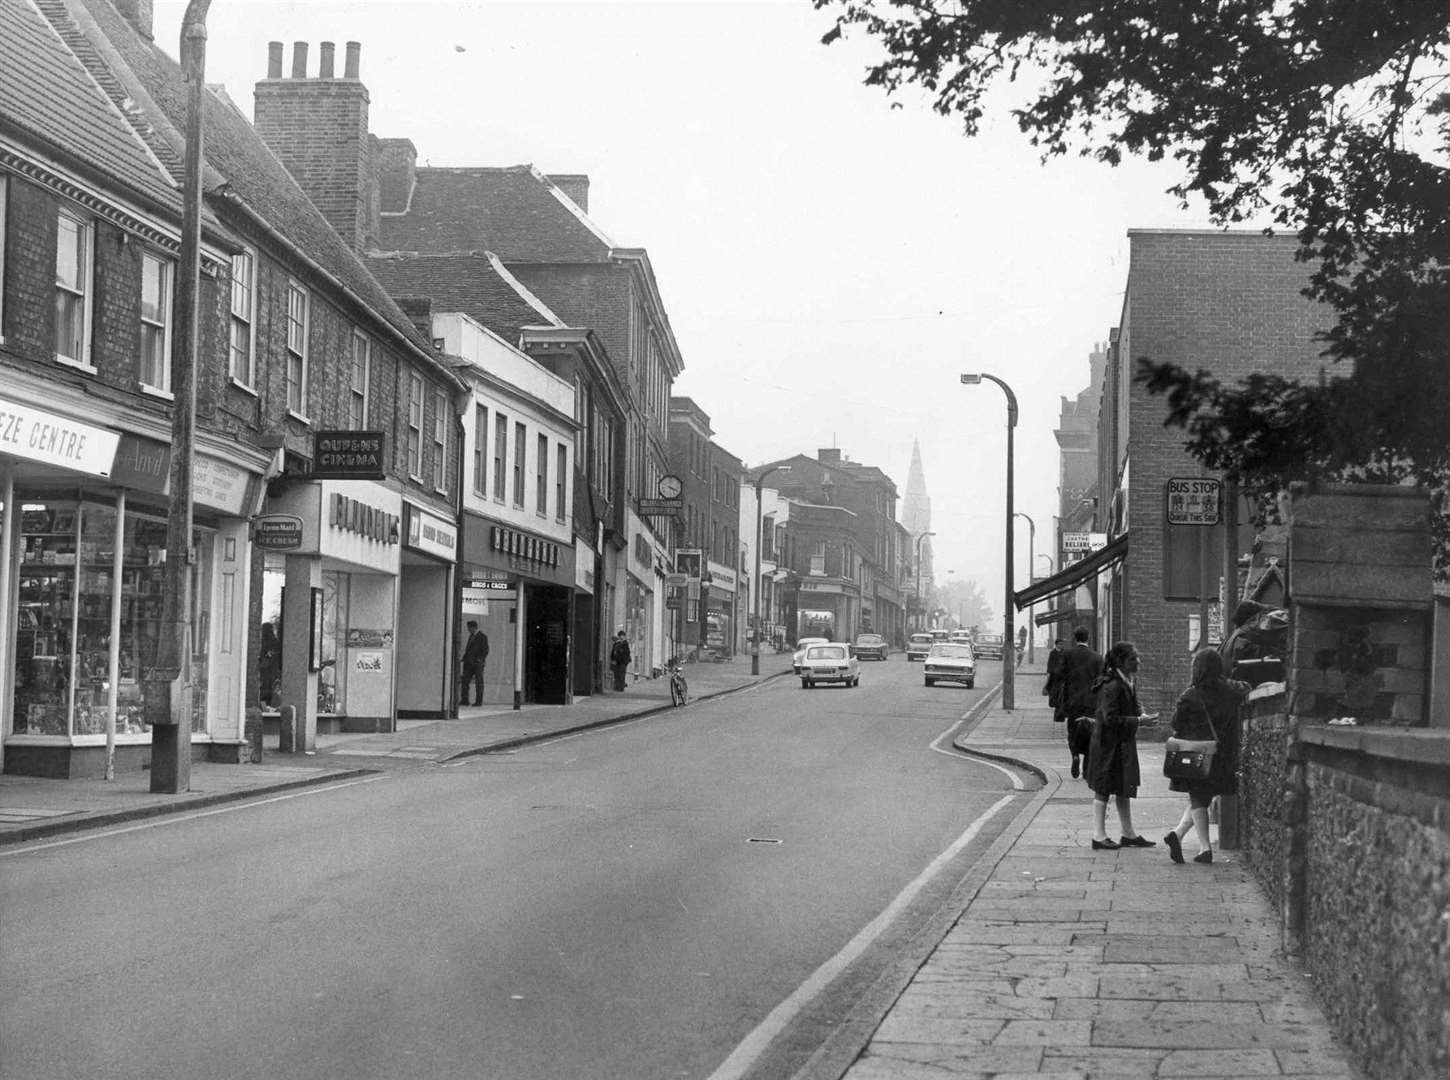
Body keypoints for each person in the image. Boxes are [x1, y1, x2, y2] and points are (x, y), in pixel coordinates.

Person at [1165, 649, 1250, 865]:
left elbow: (1176, 723)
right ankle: (1177, 834)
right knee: (1203, 797)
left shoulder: (1190, 695)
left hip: (1196, 755)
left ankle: (1205, 849)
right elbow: (1246, 688)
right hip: (1222, 755)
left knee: (1197, 797)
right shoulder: (1230, 690)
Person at [1087, 641, 1156, 851]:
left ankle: (1128, 834)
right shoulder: (1112, 685)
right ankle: (1098, 836)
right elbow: (1110, 719)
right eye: (1133, 659)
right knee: (1104, 788)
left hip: (1120, 744)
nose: (1138, 662)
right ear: (1121, 661)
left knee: (1123, 788)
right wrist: (1139, 722)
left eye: (1137, 657)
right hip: (1108, 746)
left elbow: (1133, 705)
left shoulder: (1127, 680)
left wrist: (1140, 713)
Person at [1058, 627, 1102, 779]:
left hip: (1073, 701)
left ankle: (1075, 755)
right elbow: (1101, 681)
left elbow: (1061, 675)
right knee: (1090, 733)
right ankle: (1087, 765)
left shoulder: (1068, 655)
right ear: (1088, 638)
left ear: (1075, 638)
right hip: (1091, 702)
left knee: (1073, 732)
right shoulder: (1097, 657)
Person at [460, 620, 489, 706]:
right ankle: (464, 700)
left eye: (469, 628)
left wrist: (480, 659)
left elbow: (485, 650)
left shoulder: (482, 637)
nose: (468, 630)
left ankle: (478, 701)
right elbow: (468, 649)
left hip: (477, 664)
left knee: (479, 682)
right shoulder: (471, 636)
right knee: (465, 681)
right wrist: (464, 658)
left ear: (473, 628)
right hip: (469, 663)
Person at [259, 621, 281, 706]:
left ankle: (265, 707)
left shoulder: (264, 643)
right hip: (274, 671)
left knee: (265, 691)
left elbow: (263, 658)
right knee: (272, 689)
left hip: (267, 672)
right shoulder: (276, 643)